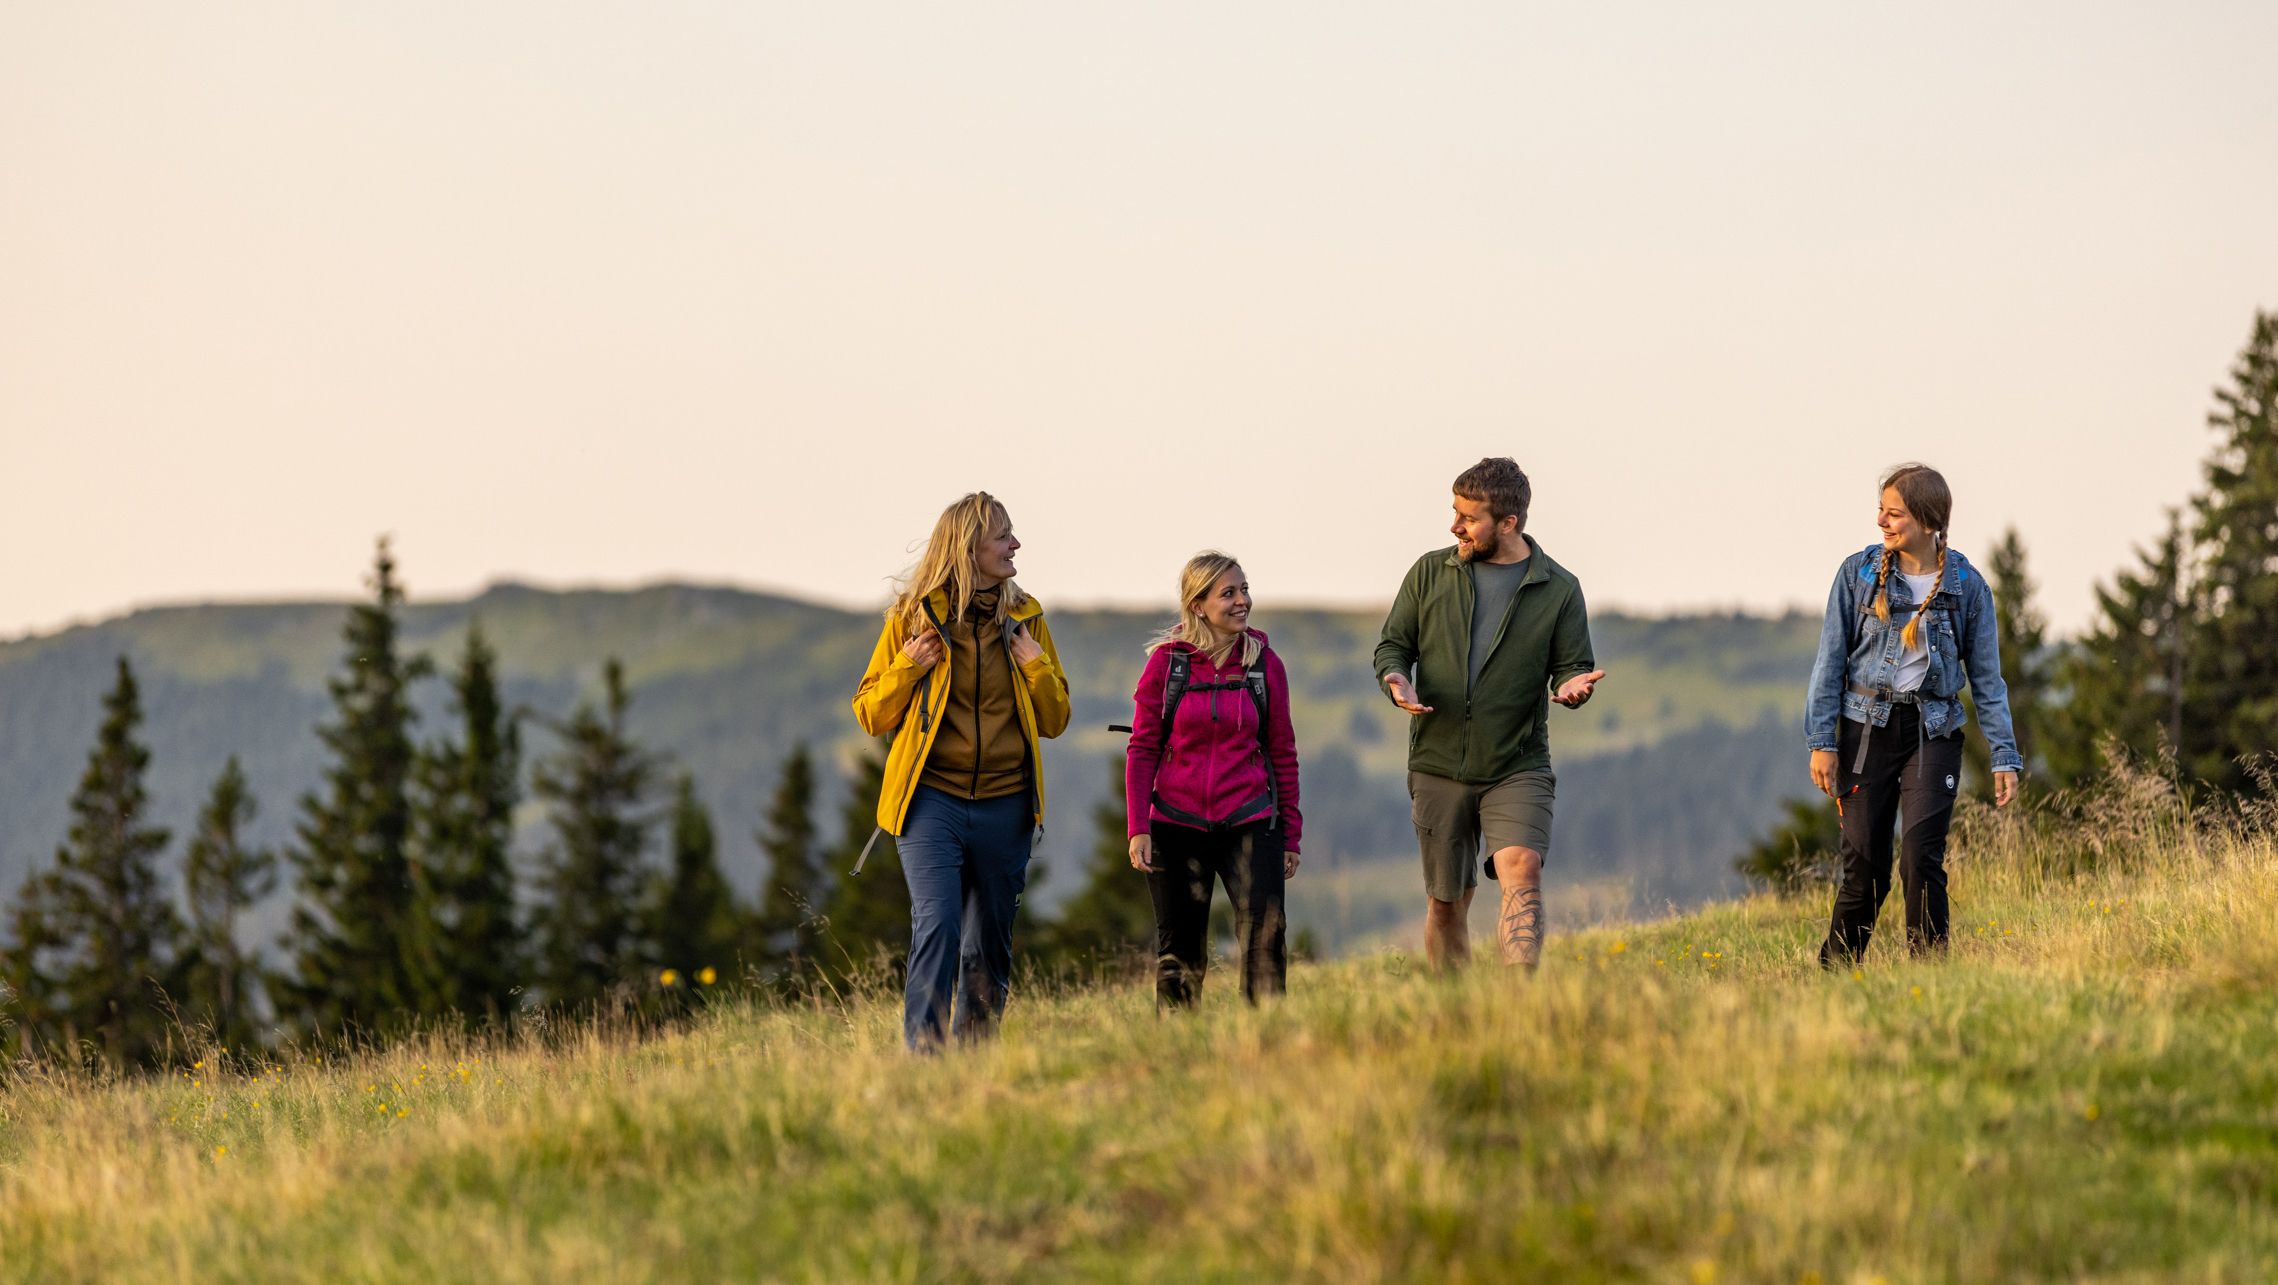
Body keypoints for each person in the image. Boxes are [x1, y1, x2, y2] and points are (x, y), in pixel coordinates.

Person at [852, 492, 1071, 1050]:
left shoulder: (1028, 618)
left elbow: (1056, 719)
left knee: (988, 942)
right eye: (1004, 536)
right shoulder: (911, 617)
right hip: (932, 804)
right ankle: (925, 1057)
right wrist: (908, 665)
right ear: (968, 548)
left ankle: (974, 1058)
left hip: (1007, 804)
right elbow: (871, 714)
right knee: (940, 927)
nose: (1016, 544)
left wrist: (1036, 665)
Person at [1373, 458, 1603, 971]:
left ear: (1508, 523)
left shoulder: (1559, 589)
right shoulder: (1431, 571)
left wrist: (1571, 687)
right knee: (1447, 902)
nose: (1455, 526)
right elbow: (1393, 646)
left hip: (1518, 763)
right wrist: (1395, 680)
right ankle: (1456, 1013)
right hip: (1437, 760)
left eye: (1468, 517)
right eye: (1454, 512)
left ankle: (1517, 1005)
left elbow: (1571, 665)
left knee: (1522, 869)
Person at [1805, 463, 2021, 966]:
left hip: (1933, 732)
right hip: (1864, 731)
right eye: (1881, 509)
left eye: (1894, 512)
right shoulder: (1857, 575)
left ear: (1927, 520)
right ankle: (1835, 970)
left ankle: (1929, 975)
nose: (1881, 519)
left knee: (1921, 856)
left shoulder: (1967, 585)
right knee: (1866, 866)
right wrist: (1823, 742)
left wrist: (2004, 756)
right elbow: (1829, 664)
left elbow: (1988, 681)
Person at [1124, 553, 1303, 1008]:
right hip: (1175, 826)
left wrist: (1290, 835)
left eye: (1245, 589)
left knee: (1266, 942)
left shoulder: (1265, 666)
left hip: (1251, 820)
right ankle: (1177, 1053)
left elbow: (1282, 752)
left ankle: (1265, 1045)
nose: (1243, 601)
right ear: (1198, 605)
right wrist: (1138, 829)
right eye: (1229, 593)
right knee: (1180, 954)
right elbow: (1142, 749)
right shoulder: (1167, 667)